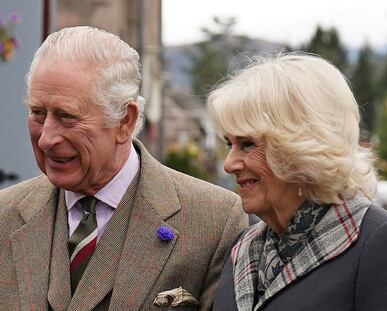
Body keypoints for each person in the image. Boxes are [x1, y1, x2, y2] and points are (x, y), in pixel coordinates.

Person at [0, 26, 247, 311]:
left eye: (67, 117)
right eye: (38, 113)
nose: (46, 138)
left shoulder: (214, 220)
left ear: (125, 121)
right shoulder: (6, 216)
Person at [207, 53, 387, 311]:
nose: (229, 163)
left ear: (303, 146)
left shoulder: (382, 244)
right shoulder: (242, 250)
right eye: (229, 144)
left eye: (247, 144)